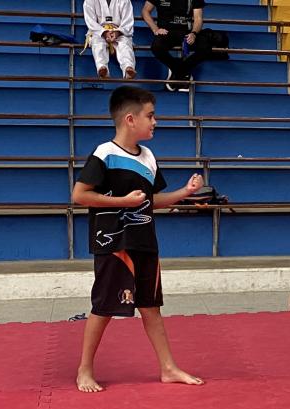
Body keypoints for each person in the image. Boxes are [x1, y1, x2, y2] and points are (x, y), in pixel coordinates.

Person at [71, 86, 205, 393]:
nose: (155, 121)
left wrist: (185, 192)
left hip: (145, 242)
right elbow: (80, 195)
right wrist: (123, 202)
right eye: (151, 115)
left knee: (151, 307)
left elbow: (153, 200)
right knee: (104, 307)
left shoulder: (148, 157)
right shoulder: (104, 154)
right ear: (130, 119)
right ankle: (85, 369)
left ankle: (168, 368)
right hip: (114, 243)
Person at [142, 0, 210, 92]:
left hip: (187, 32)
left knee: (206, 48)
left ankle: (179, 70)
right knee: (156, 47)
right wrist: (155, 29)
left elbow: (198, 18)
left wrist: (193, 33)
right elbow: (145, 11)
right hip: (166, 32)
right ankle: (181, 70)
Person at [83, 0, 136, 79]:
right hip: (98, 32)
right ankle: (102, 68)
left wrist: (117, 32)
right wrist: (104, 32)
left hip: (120, 31)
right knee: (97, 43)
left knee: (124, 44)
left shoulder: (125, 1)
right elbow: (90, 21)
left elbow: (128, 21)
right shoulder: (89, 1)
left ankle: (128, 68)